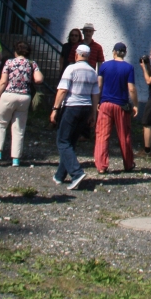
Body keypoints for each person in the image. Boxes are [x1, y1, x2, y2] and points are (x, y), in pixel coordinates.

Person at [0, 40, 45, 166]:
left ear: (16, 51)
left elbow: (3, 82)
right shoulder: (32, 64)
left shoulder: (9, 62)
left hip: (8, 95)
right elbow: (39, 79)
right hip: (24, 97)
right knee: (19, 127)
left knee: (1, 123)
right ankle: (16, 158)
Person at [50, 43, 99, 189]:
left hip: (72, 107)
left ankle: (76, 172)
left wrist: (55, 109)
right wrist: (93, 114)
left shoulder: (70, 68)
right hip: (86, 107)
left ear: (77, 54)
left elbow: (62, 90)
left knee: (62, 141)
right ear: (88, 56)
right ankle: (59, 175)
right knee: (71, 141)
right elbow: (95, 95)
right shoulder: (92, 72)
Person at [94, 42, 137, 173]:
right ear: (125, 53)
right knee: (124, 135)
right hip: (121, 105)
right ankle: (128, 164)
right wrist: (135, 104)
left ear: (114, 52)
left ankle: (101, 166)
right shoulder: (129, 68)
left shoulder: (104, 66)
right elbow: (131, 89)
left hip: (105, 104)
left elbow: (99, 85)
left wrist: (97, 101)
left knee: (102, 135)